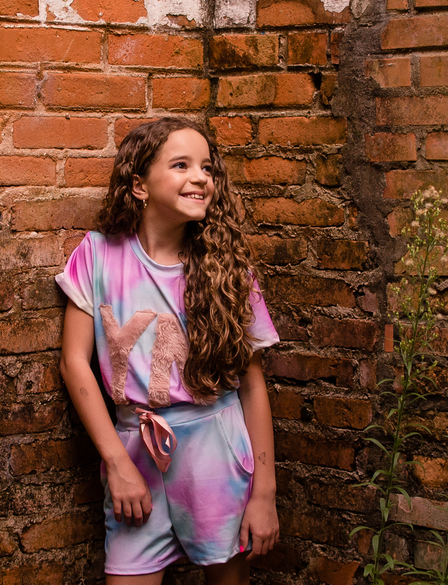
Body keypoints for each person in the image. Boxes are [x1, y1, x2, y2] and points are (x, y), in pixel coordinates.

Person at [57, 117, 281, 585]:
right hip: (133, 453)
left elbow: (252, 387)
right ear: (139, 185)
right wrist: (117, 462)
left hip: (216, 455)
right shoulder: (97, 254)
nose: (201, 178)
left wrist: (265, 494)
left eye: (207, 168)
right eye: (181, 165)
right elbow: (74, 362)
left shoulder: (229, 272)